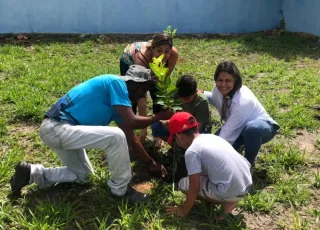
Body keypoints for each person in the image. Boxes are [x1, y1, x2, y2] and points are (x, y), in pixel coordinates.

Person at [10, 65, 173, 203]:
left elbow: (132, 137)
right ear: (135, 83)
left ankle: (31, 173)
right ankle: (120, 189)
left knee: (83, 175)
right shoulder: (116, 83)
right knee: (115, 136)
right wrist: (158, 117)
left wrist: (150, 162)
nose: (142, 96)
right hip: (57, 128)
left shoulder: (117, 104)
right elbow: (132, 122)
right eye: (143, 90)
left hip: (62, 132)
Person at [165, 112, 252, 219]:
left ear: (178, 137)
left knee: (184, 184)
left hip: (232, 190)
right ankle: (229, 198)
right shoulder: (212, 137)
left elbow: (194, 188)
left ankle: (228, 201)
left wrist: (183, 211)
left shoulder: (192, 151)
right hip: (246, 183)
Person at [203, 61, 280, 167]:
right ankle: (239, 146)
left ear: (235, 80)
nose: (223, 84)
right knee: (219, 152)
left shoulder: (242, 100)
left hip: (262, 128)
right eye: (220, 80)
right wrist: (201, 94)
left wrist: (208, 156)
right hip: (237, 127)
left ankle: (248, 164)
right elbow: (214, 98)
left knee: (252, 129)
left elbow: (225, 136)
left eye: (228, 81)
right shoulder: (217, 90)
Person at [151, 75, 212, 181]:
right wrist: (167, 122)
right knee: (156, 126)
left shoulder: (201, 102)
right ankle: (176, 148)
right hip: (177, 130)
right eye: (180, 98)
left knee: (190, 148)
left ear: (196, 92)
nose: (183, 101)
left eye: (187, 99)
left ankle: (185, 154)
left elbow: (197, 129)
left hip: (194, 131)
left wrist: (176, 130)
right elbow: (167, 113)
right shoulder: (174, 95)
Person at [120, 33, 179, 143]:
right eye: (159, 51)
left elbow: (165, 78)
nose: (163, 55)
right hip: (128, 58)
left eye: (166, 51)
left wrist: (156, 82)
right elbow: (140, 95)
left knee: (158, 93)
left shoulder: (173, 54)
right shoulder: (141, 60)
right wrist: (144, 128)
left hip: (152, 64)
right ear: (152, 49)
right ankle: (129, 127)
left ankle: (157, 133)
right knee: (131, 95)